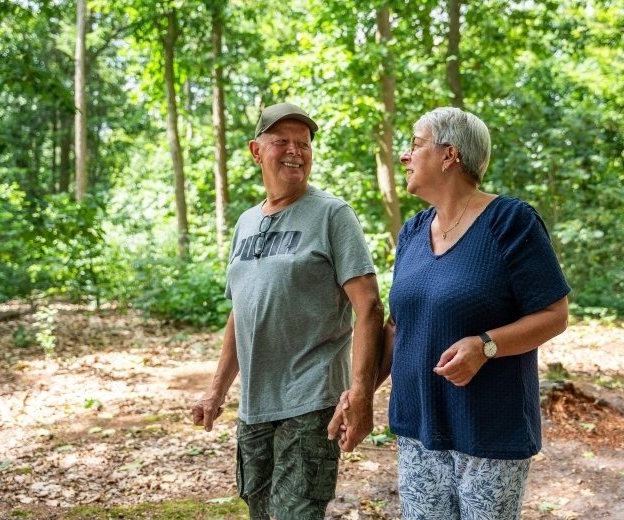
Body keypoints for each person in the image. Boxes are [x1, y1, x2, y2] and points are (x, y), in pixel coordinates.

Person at [328, 107, 570, 519]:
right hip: (418, 429)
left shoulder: (511, 222)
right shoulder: (412, 232)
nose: (404, 156)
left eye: (415, 144)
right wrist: (361, 392)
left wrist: (486, 346)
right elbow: (397, 326)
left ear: (449, 155)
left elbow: (554, 314)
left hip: (490, 432)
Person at [192, 102, 384, 520]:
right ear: (256, 151)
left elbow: (368, 306)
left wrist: (360, 393)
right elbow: (241, 312)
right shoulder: (245, 223)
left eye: (304, 143)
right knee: (260, 511)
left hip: (311, 402)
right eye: (282, 142)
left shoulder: (333, 214)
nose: (295, 150)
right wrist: (217, 389)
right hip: (255, 405)